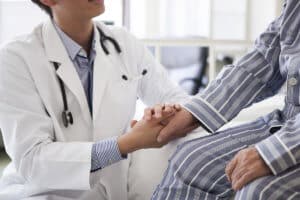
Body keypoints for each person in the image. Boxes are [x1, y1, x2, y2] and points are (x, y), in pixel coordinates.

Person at [0, 0, 189, 199]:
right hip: (44, 193)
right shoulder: (15, 59)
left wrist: (165, 113)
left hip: (114, 189)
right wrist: (124, 144)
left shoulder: (123, 43)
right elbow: (33, 159)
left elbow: (177, 98)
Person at [149, 0, 300, 199]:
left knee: (258, 191)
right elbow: (264, 57)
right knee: (190, 161)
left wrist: (275, 153)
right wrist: (193, 113)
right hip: (289, 119)